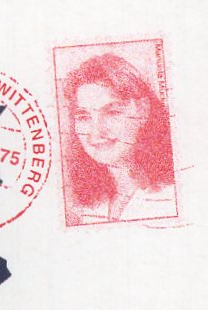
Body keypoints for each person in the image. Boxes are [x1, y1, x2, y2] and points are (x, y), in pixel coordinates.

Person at [62, 52, 176, 224]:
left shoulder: (175, 195)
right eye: (84, 117)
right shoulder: (84, 206)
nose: (96, 132)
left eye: (112, 112)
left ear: (143, 110)